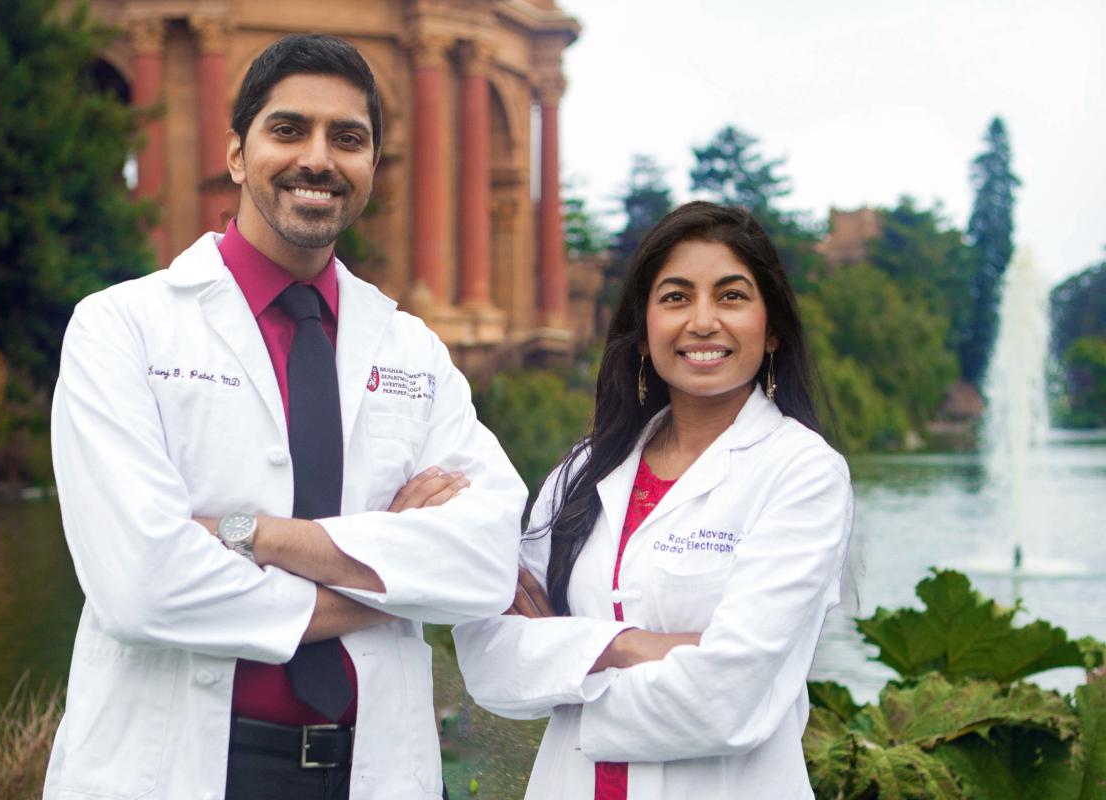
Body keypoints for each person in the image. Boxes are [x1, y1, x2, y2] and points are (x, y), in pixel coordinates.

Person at [44, 34, 525, 800]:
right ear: (237, 154)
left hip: (371, 768)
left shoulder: (413, 351)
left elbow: (488, 560)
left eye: (349, 138)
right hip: (180, 767)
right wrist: (388, 588)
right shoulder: (121, 327)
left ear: (371, 166)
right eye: (289, 129)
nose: (319, 159)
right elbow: (142, 584)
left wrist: (249, 534)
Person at [453, 201, 854, 800]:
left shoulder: (803, 473)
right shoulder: (584, 470)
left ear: (771, 329)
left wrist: (567, 665)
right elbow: (489, 660)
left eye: (732, 296)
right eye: (675, 297)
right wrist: (632, 646)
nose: (702, 321)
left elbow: (726, 698)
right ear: (642, 333)